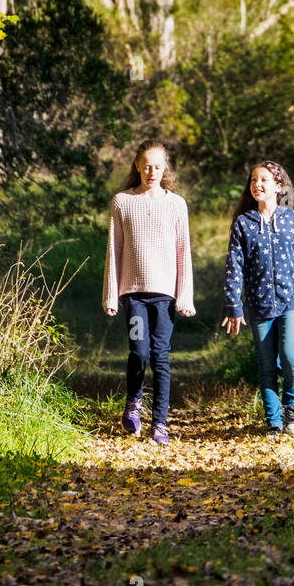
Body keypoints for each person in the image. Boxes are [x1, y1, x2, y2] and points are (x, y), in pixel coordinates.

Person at [222, 159, 294, 437]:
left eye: (264, 180)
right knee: (267, 364)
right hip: (258, 304)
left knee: (291, 357)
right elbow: (234, 268)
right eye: (254, 180)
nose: (258, 185)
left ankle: (292, 409)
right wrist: (234, 305)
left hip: (291, 300)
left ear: (279, 186)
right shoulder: (243, 224)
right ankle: (274, 420)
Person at [103, 141, 195, 445]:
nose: (151, 171)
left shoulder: (176, 204)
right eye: (146, 165)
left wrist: (185, 297)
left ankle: (160, 423)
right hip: (134, 295)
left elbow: (184, 253)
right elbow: (114, 249)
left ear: (165, 168)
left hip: (165, 296)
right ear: (137, 166)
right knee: (139, 351)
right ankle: (133, 404)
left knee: (161, 356)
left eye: (157, 166)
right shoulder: (122, 202)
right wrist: (110, 294)